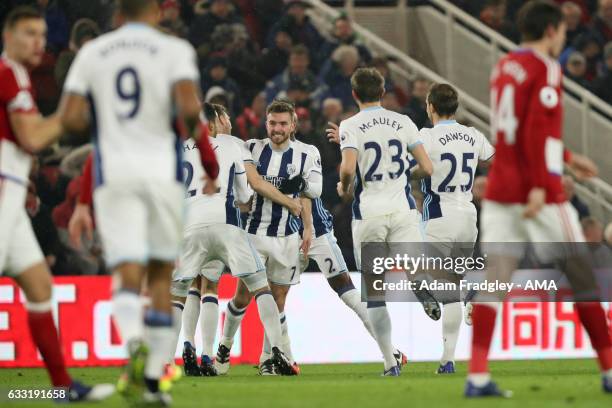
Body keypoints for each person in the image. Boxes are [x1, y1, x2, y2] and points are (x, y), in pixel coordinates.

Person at [59, 0, 219, 404]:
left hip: (115, 175)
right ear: (157, 13)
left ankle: (134, 346)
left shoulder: (95, 52)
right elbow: (188, 110)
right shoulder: (174, 50)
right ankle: (151, 381)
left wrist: (107, 118)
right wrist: (211, 166)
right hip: (161, 174)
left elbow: (72, 118)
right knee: (162, 276)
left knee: (127, 271)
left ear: (116, 17)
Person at [467, 0, 612, 397]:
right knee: (582, 277)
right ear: (552, 31)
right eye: (563, 30)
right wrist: (538, 183)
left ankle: (477, 376)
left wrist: (567, 156)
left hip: (500, 189)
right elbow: (536, 131)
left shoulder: (504, 66)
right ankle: (609, 370)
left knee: (495, 281)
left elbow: (513, 132)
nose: (563, 36)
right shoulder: (546, 67)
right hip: (539, 191)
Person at [0, 6, 113, 402]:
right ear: (9, 35)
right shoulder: (8, 71)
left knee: (40, 286)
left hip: (13, 197)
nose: (38, 42)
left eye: (42, 34)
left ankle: (62, 388)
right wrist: (69, 113)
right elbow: (32, 137)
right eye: (29, 33)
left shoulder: (20, 78)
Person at [169, 103, 297, 377]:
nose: (229, 121)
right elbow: (243, 194)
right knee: (260, 287)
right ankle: (277, 350)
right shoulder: (233, 144)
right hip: (226, 225)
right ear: (214, 123)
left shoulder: (178, 150)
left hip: (190, 226)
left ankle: (166, 362)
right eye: (224, 116)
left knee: (180, 294)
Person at [335, 67, 433, 376]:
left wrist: (344, 187)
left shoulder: (350, 125)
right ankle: (418, 281)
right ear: (382, 92)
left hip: (370, 213)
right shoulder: (403, 121)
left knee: (374, 291)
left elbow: (348, 169)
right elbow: (427, 167)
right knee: (412, 261)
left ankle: (391, 364)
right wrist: (406, 172)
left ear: (354, 94)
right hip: (403, 209)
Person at [213, 99, 322, 376]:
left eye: (283, 123)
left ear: (293, 125)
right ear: (266, 123)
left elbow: (310, 194)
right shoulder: (250, 148)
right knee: (243, 296)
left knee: (278, 299)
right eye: (273, 123)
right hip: (253, 234)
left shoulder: (307, 154)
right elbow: (226, 150)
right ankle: (224, 346)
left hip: (286, 236)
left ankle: (266, 359)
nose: (277, 128)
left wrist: (308, 228)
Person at [417, 83, 494, 374]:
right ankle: (472, 294)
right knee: (453, 284)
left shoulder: (425, 136)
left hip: (438, 215)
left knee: (438, 284)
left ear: (431, 107)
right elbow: (496, 160)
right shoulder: (473, 135)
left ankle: (447, 360)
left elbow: (411, 165)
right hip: (467, 217)